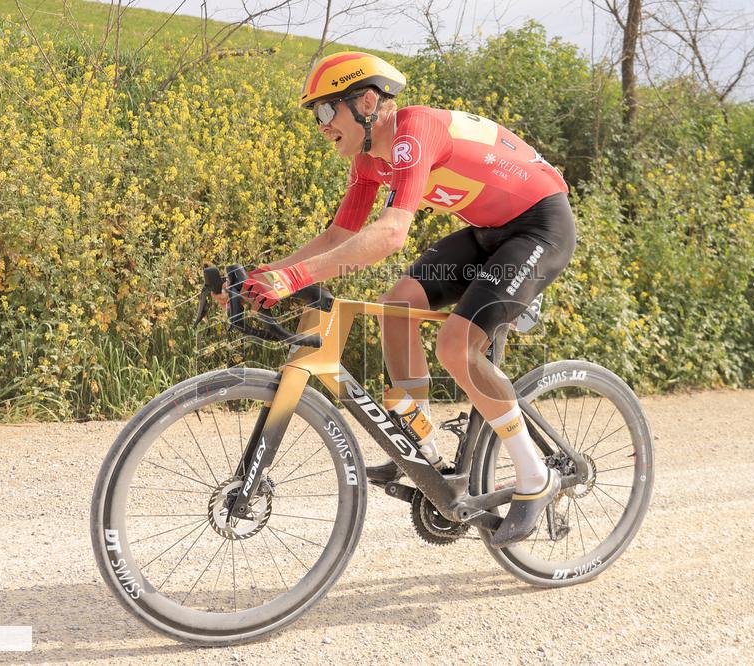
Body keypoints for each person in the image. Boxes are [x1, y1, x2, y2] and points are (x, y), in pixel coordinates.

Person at [240, 52, 576, 548]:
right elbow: (339, 236)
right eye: (316, 115)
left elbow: (392, 233)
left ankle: (534, 478)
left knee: (455, 346)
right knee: (399, 301)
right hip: (489, 233)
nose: (321, 125)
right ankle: (418, 438)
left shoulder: (414, 131)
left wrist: (293, 278)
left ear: (367, 102)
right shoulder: (368, 160)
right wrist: (262, 275)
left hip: (541, 227)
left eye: (326, 111)